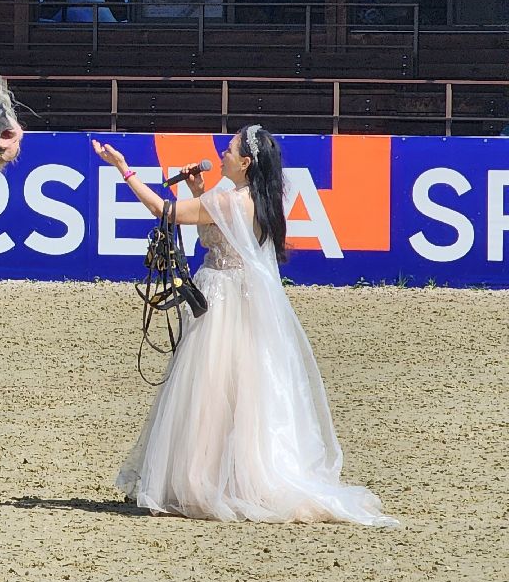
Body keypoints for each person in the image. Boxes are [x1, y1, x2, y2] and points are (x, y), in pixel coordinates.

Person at [91, 125, 398, 526]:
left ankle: (203, 479)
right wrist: (201, 190)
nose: (222, 154)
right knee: (233, 391)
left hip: (222, 303)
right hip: (239, 297)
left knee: (209, 390)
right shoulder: (250, 200)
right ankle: (225, 476)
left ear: (246, 162)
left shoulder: (232, 200)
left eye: (230, 150)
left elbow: (164, 212)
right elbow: (218, 229)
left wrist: (124, 169)